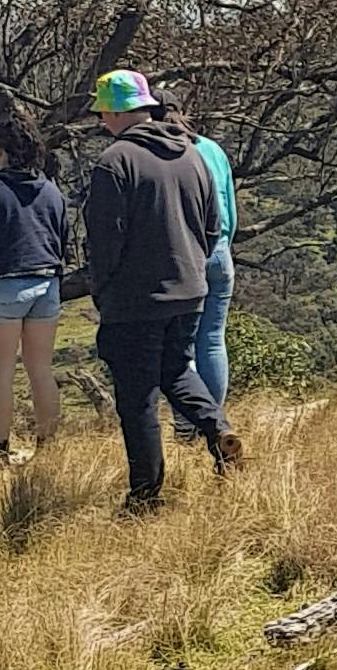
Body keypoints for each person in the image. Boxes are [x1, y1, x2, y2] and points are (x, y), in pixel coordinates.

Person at [78, 68, 244, 512]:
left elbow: (104, 239)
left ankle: (145, 497)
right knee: (175, 369)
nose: (101, 121)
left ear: (116, 112)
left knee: (138, 401)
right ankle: (217, 429)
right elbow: (213, 227)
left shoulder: (115, 162)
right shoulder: (192, 155)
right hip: (190, 290)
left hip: (136, 299)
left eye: (103, 112)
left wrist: (104, 287)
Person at [0, 113, 70, 460]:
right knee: (41, 370)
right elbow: (62, 240)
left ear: (0, 150)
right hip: (46, 282)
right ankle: (47, 449)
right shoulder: (52, 191)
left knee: (1, 372)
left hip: (1, 285)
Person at [188, 116, 238, 408]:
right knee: (213, 340)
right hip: (220, 248)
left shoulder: (172, 152)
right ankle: (215, 420)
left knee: (184, 345)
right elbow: (230, 206)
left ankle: (190, 423)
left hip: (188, 251)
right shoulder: (213, 149)